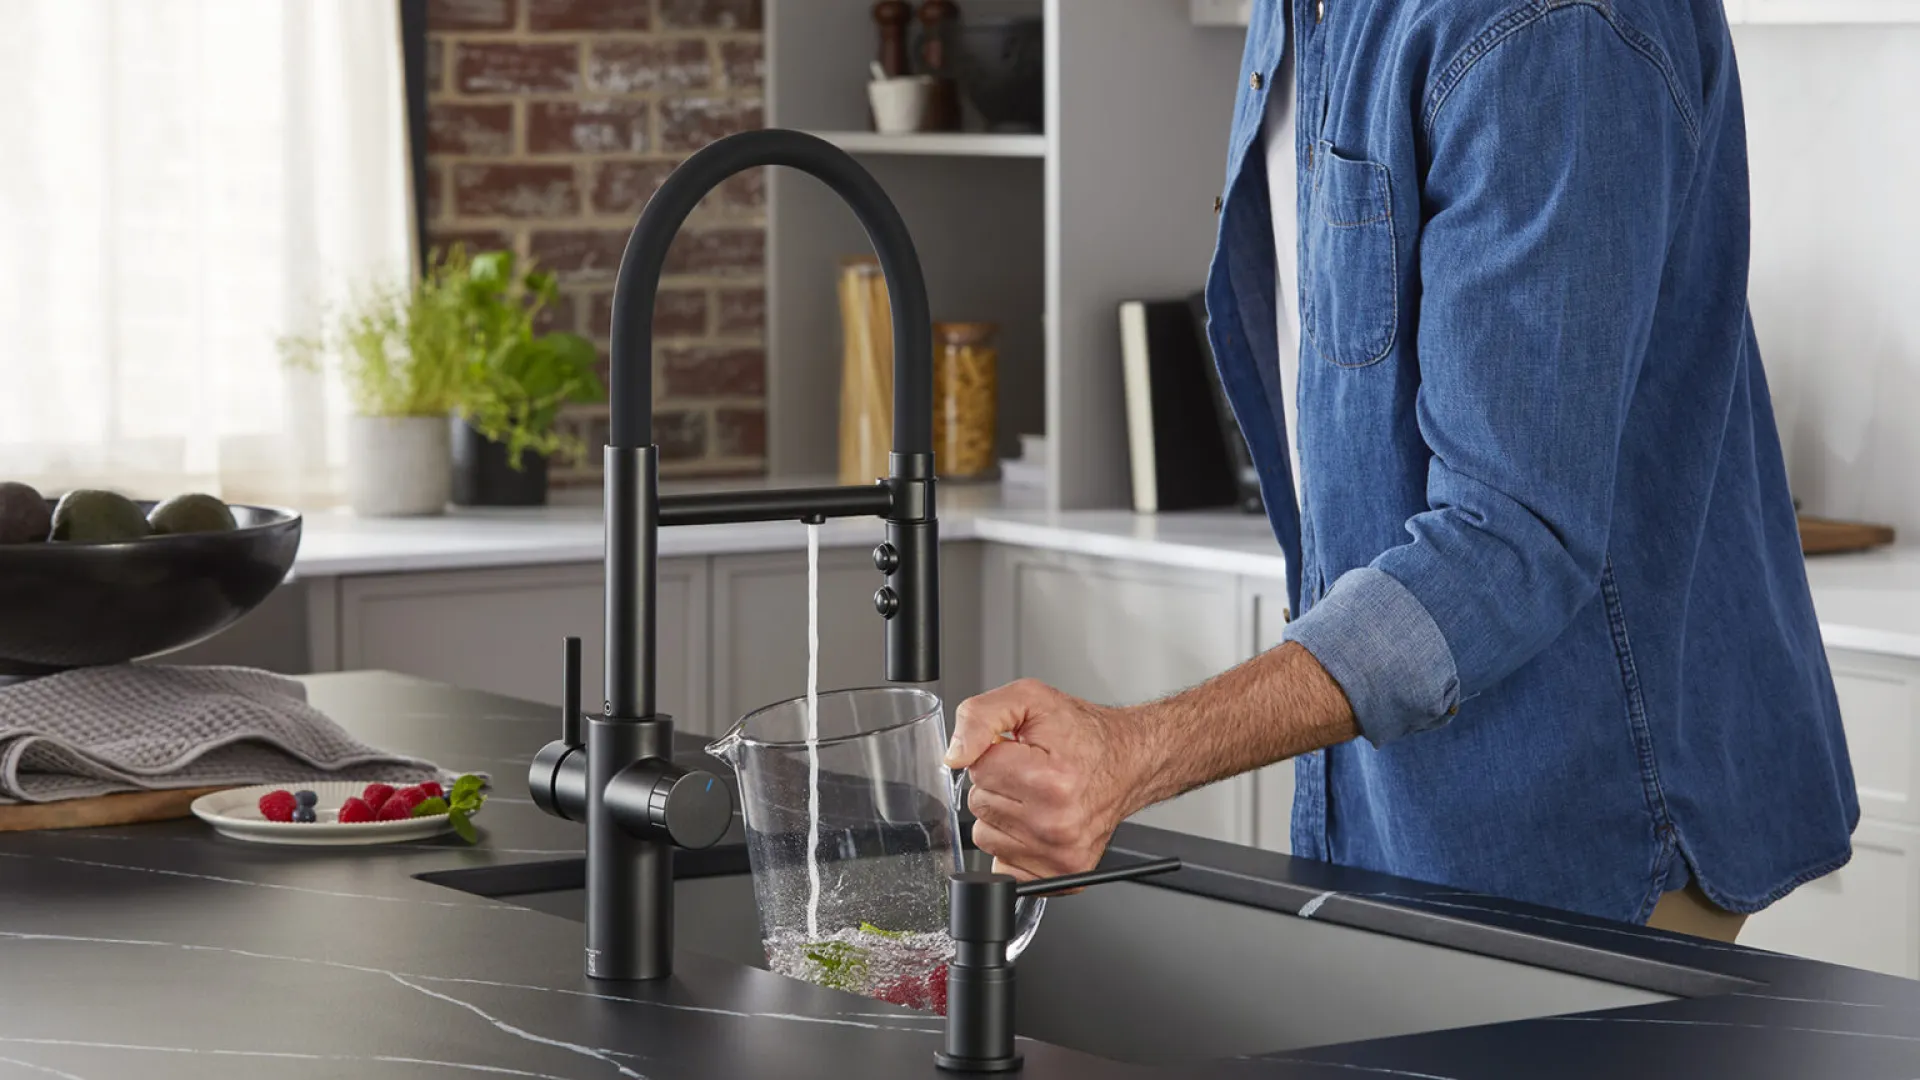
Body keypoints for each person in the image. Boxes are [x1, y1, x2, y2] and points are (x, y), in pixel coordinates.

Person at [945, 0, 1856, 942]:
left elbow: (1510, 537)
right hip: (1408, 796)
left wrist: (1135, 751)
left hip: (1596, 812)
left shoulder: (1551, 27)